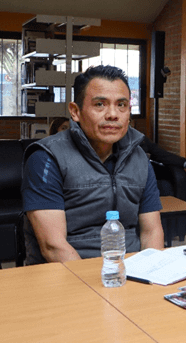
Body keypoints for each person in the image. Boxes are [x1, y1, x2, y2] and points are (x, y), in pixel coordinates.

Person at [22, 65, 164, 264]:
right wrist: (96, 281)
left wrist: (151, 272)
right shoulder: (46, 157)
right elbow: (53, 246)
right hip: (68, 272)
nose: (113, 114)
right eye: (100, 104)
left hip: (129, 270)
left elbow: (152, 232)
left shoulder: (139, 158)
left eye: (121, 105)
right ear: (75, 112)